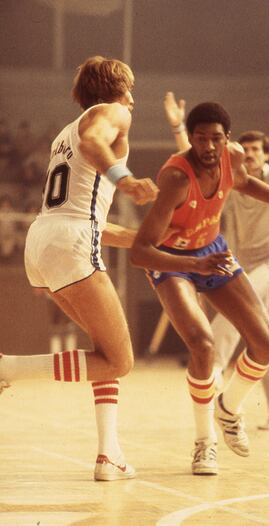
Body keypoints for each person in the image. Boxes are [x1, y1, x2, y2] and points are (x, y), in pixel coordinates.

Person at [130, 101, 269, 475]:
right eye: (201, 139)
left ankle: (229, 409)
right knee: (203, 344)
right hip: (173, 261)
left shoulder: (233, 159)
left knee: (265, 343)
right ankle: (205, 443)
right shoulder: (176, 179)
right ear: (192, 141)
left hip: (213, 252)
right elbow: (140, 251)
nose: (209, 147)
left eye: (216, 138)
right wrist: (191, 265)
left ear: (227, 139)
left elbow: (248, 184)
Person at [0, 55, 158, 481]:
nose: (133, 100)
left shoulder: (62, 136)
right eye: (131, 89)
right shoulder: (111, 114)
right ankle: (8, 368)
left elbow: (86, 217)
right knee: (121, 360)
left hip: (45, 240)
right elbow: (95, 142)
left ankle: (109, 454)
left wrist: (145, 239)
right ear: (118, 89)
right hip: (70, 243)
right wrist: (127, 181)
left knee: (102, 353)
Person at [163, 81, 269, 430]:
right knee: (258, 331)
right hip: (240, 259)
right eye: (247, 148)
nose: (252, 152)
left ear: (267, 154)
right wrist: (176, 127)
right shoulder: (227, 171)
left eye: (258, 148)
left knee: (231, 320)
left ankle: (213, 371)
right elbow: (196, 159)